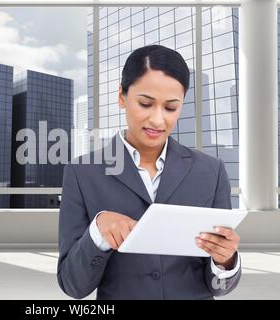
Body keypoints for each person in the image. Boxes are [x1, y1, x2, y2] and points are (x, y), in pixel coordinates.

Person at [57, 45, 241, 300]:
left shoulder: (211, 171)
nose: (157, 120)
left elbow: (219, 287)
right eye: (145, 103)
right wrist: (97, 233)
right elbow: (72, 285)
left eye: (170, 108)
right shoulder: (82, 174)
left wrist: (225, 261)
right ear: (122, 96)